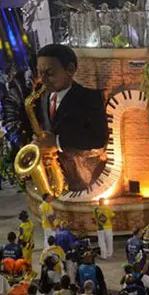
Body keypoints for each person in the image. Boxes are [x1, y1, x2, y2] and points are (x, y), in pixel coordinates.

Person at [32, 44, 108, 190]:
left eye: (49, 73)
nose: (43, 80)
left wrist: (57, 142)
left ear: (70, 70)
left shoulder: (90, 98)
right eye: (39, 73)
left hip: (83, 179)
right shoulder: (44, 96)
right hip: (55, 178)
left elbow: (99, 140)